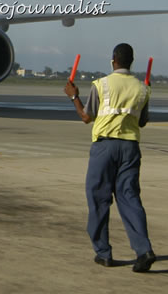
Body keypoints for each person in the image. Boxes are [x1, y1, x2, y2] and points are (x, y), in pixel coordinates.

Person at [63, 43, 156, 273]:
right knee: (130, 198)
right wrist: (146, 94)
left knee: (99, 200)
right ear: (131, 62)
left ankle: (103, 253)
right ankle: (143, 250)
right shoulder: (142, 89)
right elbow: (142, 122)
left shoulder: (101, 85)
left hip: (105, 147)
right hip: (130, 148)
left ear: (113, 60)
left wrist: (73, 96)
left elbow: (86, 117)